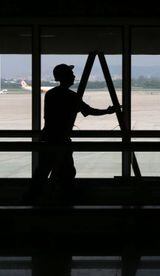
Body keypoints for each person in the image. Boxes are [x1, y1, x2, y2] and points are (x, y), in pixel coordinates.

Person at [24, 64, 117, 203]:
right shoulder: (70, 96)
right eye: (71, 74)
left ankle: (32, 201)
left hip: (47, 138)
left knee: (42, 173)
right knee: (66, 173)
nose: (74, 76)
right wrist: (108, 111)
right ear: (65, 77)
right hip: (60, 140)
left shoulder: (51, 94)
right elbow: (89, 111)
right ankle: (64, 201)